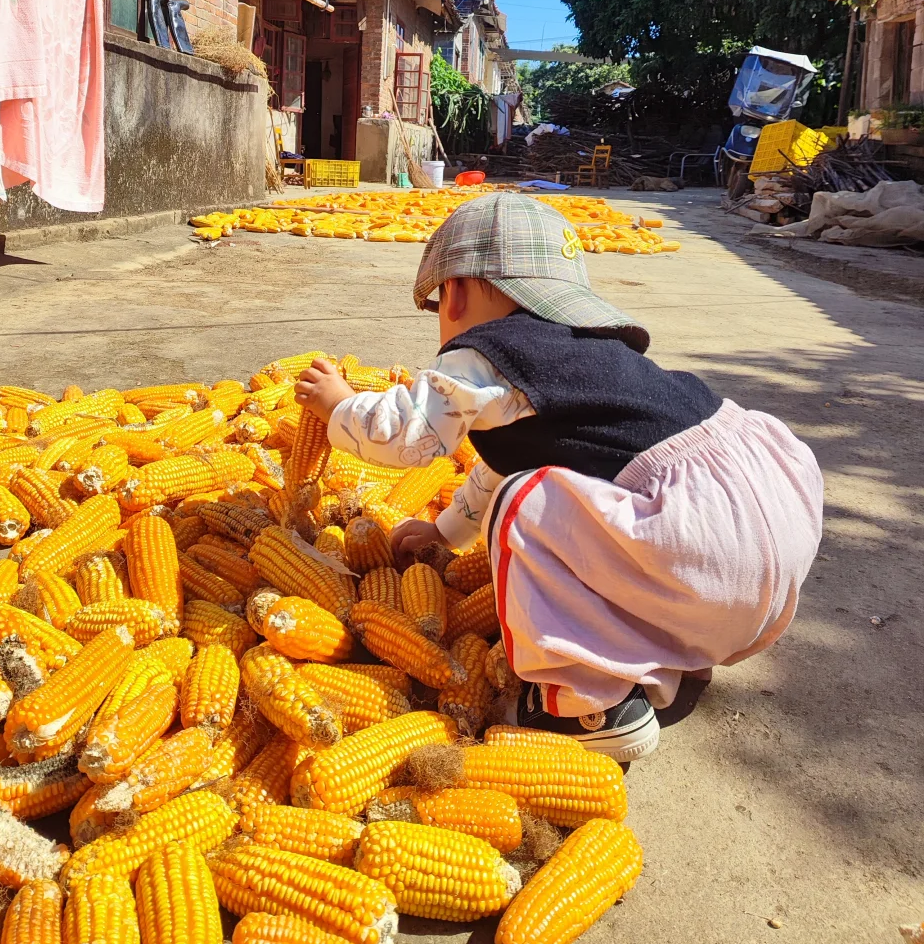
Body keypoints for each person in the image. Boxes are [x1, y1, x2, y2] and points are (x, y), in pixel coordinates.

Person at [295, 192, 824, 762]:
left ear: (457, 292)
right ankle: (669, 640)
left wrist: (340, 405)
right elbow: (500, 465)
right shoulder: (585, 358)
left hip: (702, 548)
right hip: (757, 550)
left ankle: (585, 707)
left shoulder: (489, 351)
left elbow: (409, 435)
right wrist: (446, 534)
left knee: (528, 503)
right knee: (539, 489)